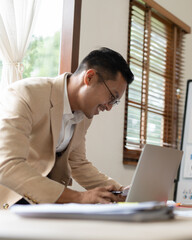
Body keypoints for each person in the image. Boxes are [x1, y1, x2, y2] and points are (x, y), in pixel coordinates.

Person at [0, 47, 134, 209]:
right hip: (10, 198)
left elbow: (78, 163)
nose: (109, 107)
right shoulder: (24, 94)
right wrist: (79, 197)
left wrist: (121, 191)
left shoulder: (84, 115)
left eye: (115, 102)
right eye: (112, 97)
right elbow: (7, 165)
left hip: (42, 204)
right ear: (89, 77)